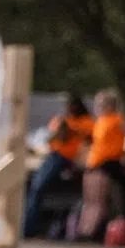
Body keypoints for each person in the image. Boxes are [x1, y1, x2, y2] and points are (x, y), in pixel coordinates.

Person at [24, 93, 93, 239]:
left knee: (37, 189)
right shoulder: (64, 120)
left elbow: (87, 137)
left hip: (63, 157)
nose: (70, 109)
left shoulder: (85, 122)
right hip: (54, 155)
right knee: (35, 189)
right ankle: (28, 225)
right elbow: (52, 137)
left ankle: (28, 227)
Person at [71, 91, 125, 243]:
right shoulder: (100, 121)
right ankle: (83, 230)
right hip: (94, 163)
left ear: (110, 106)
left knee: (98, 201)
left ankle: (88, 232)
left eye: (101, 104)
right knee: (90, 200)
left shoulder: (117, 120)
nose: (98, 107)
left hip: (106, 164)